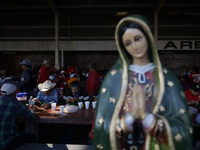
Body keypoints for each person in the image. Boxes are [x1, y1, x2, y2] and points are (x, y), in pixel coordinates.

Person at [94, 15, 192, 150]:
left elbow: (181, 125)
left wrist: (148, 120)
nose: (134, 46)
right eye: (128, 43)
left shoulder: (166, 78)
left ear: (148, 38)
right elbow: (103, 123)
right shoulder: (114, 78)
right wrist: (128, 120)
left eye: (138, 39)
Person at [0, 81, 37, 150]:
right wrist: (32, 109)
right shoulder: (16, 104)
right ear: (14, 93)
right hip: (5, 144)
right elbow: (33, 117)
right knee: (32, 137)